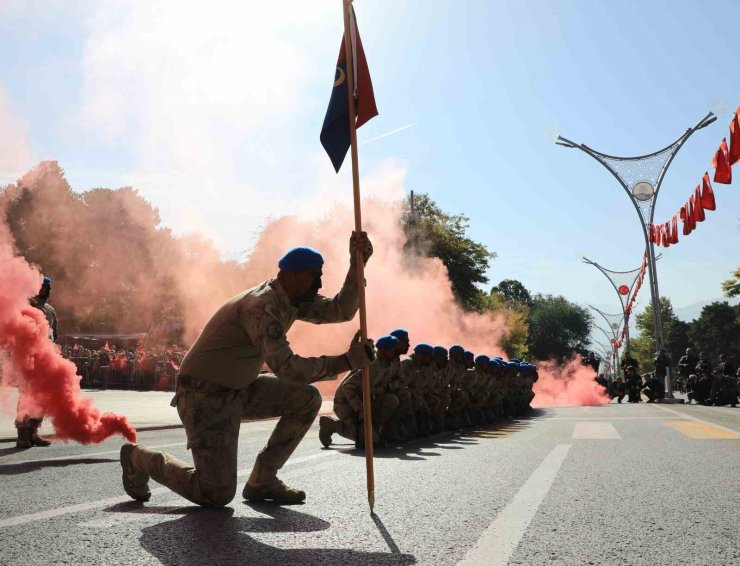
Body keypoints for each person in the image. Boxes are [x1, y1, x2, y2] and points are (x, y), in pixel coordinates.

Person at [120, 233, 375, 506]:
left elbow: (341, 310)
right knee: (215, 493)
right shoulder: (262, 306)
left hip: (239, 389)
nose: (320, 283)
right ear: (290, 276)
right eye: (314, 276)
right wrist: (346, 361)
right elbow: (287, 368)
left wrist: (356, 264)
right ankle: (138, 459)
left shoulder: (293, 300)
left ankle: (262, 479)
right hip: (203, 396)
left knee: (307, 398)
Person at [319, 335, 400, 447]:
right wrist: (360, 409)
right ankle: (331, 425)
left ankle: (371, 430)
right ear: (384, 351)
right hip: (345, 403)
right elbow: (348, 386)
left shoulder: (386, 366)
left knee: (391, 400)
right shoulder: (371, 365)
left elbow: (380, 388)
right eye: (392, 349)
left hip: (363, 401)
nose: (394, 352)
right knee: (364, 440)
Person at [16, 276, 57, 449]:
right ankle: (23, 435)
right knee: (26, 397)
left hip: (45, 358)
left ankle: (33, 432)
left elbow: (55, 335)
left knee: (41, 398)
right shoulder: (24, 306)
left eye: (47, 287)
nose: (46, 290)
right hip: (28, 358)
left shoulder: (50, 310)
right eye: (43, 286)